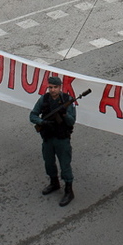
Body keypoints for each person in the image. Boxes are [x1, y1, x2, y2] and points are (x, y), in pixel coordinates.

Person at [30, 75, 77, 206]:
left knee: (65, 165)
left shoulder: (67, 101)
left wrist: (64, 114)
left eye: (55, 87)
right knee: (49, 162)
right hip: (48, 138)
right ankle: (54, 183)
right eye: (50, 87)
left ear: (60, 87)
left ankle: (69, 190)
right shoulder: (44, 99)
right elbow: (33, 115)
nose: (52, 90)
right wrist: (42, 122)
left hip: (62, 139)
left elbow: (72, 121)